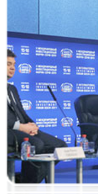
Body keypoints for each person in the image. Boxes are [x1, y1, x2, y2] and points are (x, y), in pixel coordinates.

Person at [5, 49, 67, 193]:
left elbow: (22, 113)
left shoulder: (12, 89)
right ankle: (24, 187)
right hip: (6, 130)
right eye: (8, 64)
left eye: (14, 64)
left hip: (20, 128)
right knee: (36, 144)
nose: (13, 67)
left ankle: (23, 184)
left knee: (60, 146)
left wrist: (32, 125)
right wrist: (21, 127)